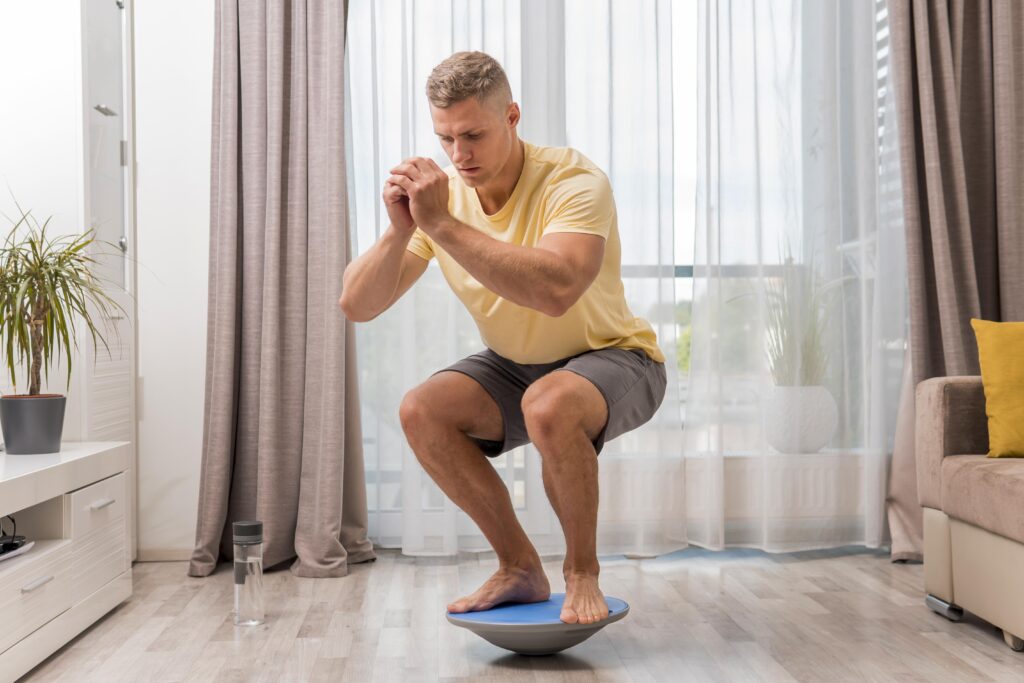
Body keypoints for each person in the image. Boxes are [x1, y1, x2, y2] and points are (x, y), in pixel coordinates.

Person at [340, 51, 666, 625]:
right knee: (421, 410)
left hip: (617, 357)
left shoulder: (573, 179)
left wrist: (440, 224)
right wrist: (400, 233)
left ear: (512, 116)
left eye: (473, 135)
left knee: (550, 402)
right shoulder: (446, 200)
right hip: (518, 364)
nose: (458, 155)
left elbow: (556, 289)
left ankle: (580, 572)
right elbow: (358, 305)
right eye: (445, 138)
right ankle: (519, 566)